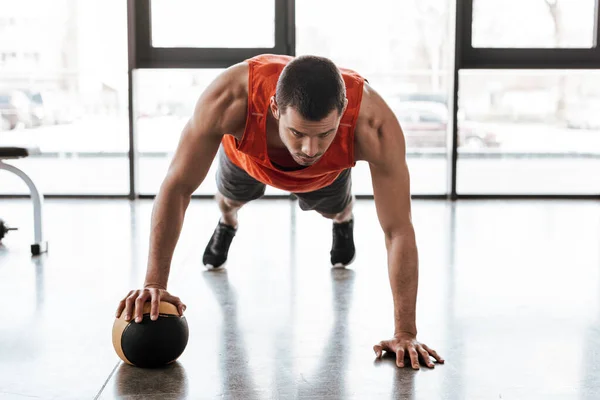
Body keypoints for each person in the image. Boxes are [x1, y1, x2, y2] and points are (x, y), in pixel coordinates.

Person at [115, 54, 445, 369]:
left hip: (326, 175)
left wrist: (406, 333)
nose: (309, 149)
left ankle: (343, 218)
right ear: (274, 108)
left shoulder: (373, 124)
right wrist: (153, 282)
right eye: (297, 133)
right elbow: (177, 186)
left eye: (324, 133)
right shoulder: (230, 98)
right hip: (247, 161)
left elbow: (398, 228)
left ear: (343, 112)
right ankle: (228, 221)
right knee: (230, 200)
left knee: (334, 208)